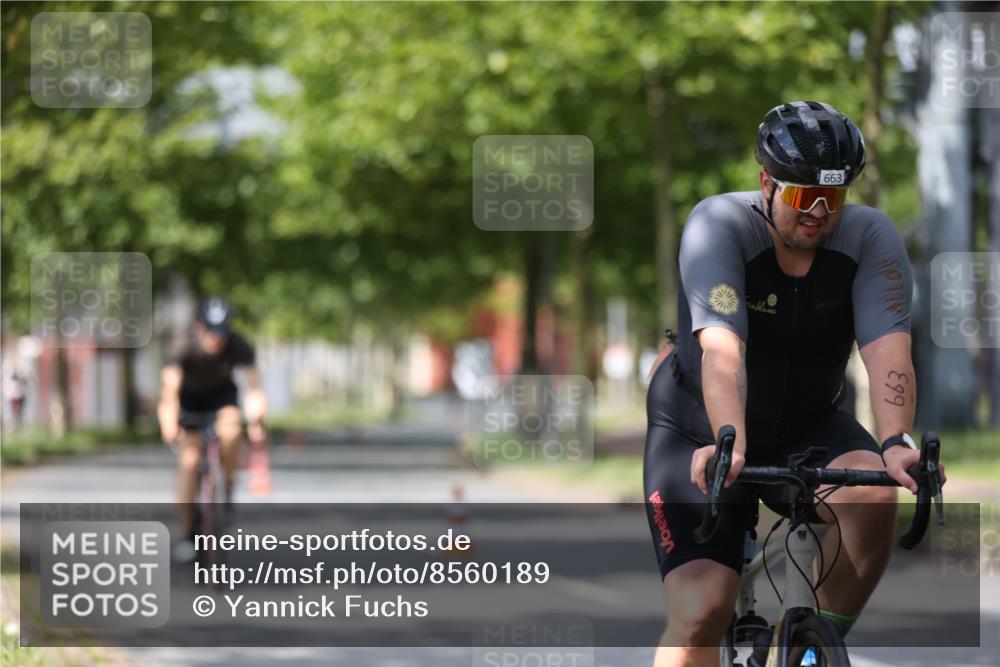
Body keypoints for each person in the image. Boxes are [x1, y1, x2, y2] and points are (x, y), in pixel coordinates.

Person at [643, 101, 946, 667]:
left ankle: (808, 650)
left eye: (833, 199)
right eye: (805, 196)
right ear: (766, 183)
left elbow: (889, 352)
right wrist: (729, 436)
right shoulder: (719, 227)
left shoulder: (870, 238)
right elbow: (723, 347)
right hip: (699, 429)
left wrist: (897, 441)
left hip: (808, 420)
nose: (818, 213)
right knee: (702, 614)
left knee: (875, 490)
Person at [158, 297, 268, 562]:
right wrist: (169, 423)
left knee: (231, 431)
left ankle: (227, 486)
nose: (216, 339)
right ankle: (188, 532)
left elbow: (254, 389)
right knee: (189, 461)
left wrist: (256, 422)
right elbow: (169, 392)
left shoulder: (238, 344)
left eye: (221, 332)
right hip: (189, 401)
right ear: (199, 327)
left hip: (222, 398)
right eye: (210, 331)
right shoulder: (183, 346)